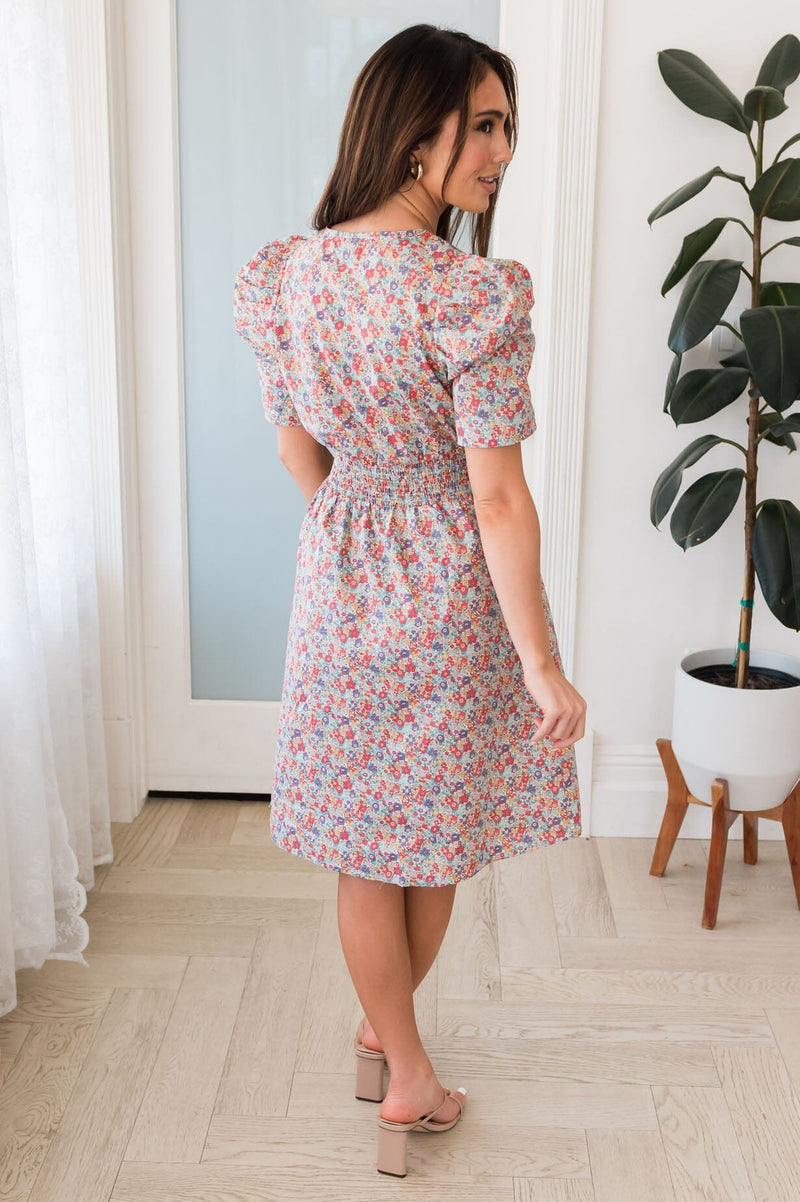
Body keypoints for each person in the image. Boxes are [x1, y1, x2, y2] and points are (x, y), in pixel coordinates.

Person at [233, 22, 587, 1178]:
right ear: (410, 129)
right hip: (443, 583)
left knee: (359, 843)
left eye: (506, 126)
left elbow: (295, 449)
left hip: (337, 575)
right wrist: (539, 662)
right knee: (428, 841)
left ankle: (383, 1032)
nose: (501, 151)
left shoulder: (287, 274)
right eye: (481, 124)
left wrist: (354, 526)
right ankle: (406, 1072)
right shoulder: (465, 293)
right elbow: (495, 495)